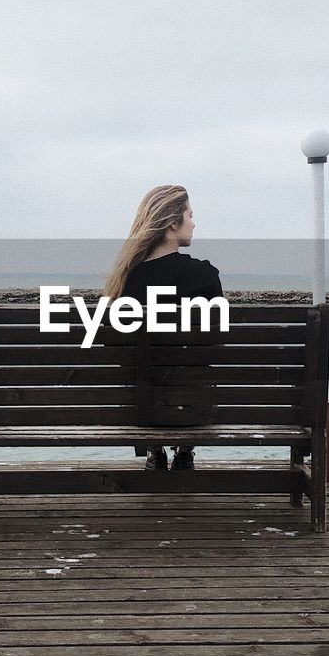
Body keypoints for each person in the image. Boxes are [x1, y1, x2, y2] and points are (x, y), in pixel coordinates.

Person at [104, 185, 223, 470]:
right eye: (190, 215)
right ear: (173, 223)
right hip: (193, 408)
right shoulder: (204, 276)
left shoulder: (125, 280)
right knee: (195, 368)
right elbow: (217, 348)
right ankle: (184, 450)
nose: (194, 223)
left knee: (143, 373)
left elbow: (118, 355)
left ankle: (154, 450)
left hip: (139, 409)